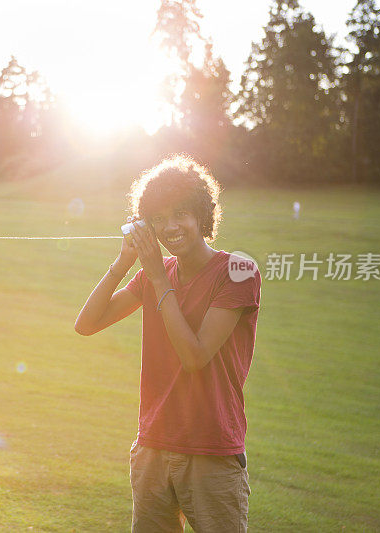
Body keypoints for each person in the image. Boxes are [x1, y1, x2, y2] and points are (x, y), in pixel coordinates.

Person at [75, 155, 261, 532]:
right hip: (153, 448)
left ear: (202, 215)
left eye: (181, 213)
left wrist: (159, 279)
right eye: (158, 218)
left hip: (211, 452)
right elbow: (87, 324)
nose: (170, 227)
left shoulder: (238, 271)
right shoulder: (152, 275)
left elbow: (194, 356)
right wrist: (124, 262)